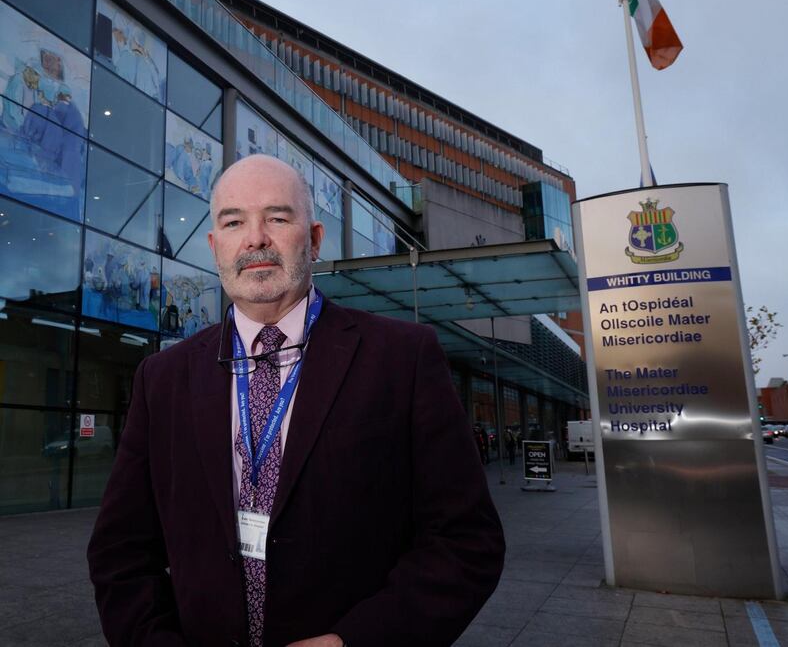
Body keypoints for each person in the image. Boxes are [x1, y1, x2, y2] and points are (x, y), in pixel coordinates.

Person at [87, 155, 504, 647]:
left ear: (315, 239)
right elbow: (120, 552)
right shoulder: (162, 378)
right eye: (234, 221)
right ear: (214, 245)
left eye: (278, 218)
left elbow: (466, 542)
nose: (256, 237)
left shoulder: (403, 359)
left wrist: (355, 642)